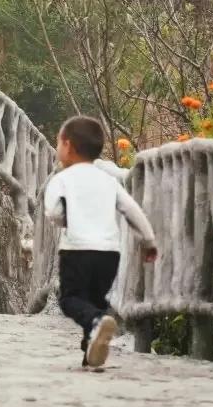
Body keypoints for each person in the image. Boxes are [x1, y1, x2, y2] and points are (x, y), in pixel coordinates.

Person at [44, 114, 158, 370]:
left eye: (59, 144)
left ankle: (97, 322)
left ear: (69, 146)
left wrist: (65, 220)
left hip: (76, 250)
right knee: (94, 300)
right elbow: (131, 209)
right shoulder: (108, 180)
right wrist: (148, 240)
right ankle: (91, 352)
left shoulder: (61, 180)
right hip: (109, 253)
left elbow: (53, 213)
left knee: (71, 299)